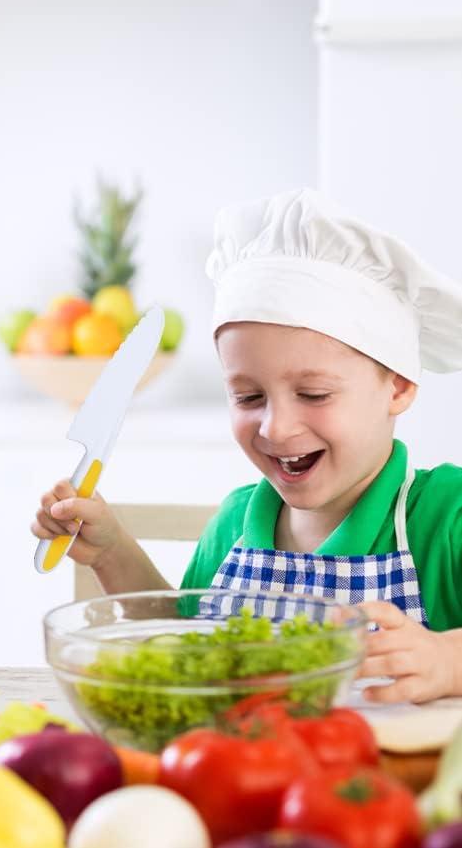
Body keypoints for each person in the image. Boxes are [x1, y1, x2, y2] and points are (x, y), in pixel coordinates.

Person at [32, 188, 462, 703]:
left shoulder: (446, 517)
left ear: (397, 386)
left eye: (314, 393)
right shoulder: (236, 523)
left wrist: (450, 661)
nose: (276, 429)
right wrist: (111, 553)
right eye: (249, 396)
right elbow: (181, 644)